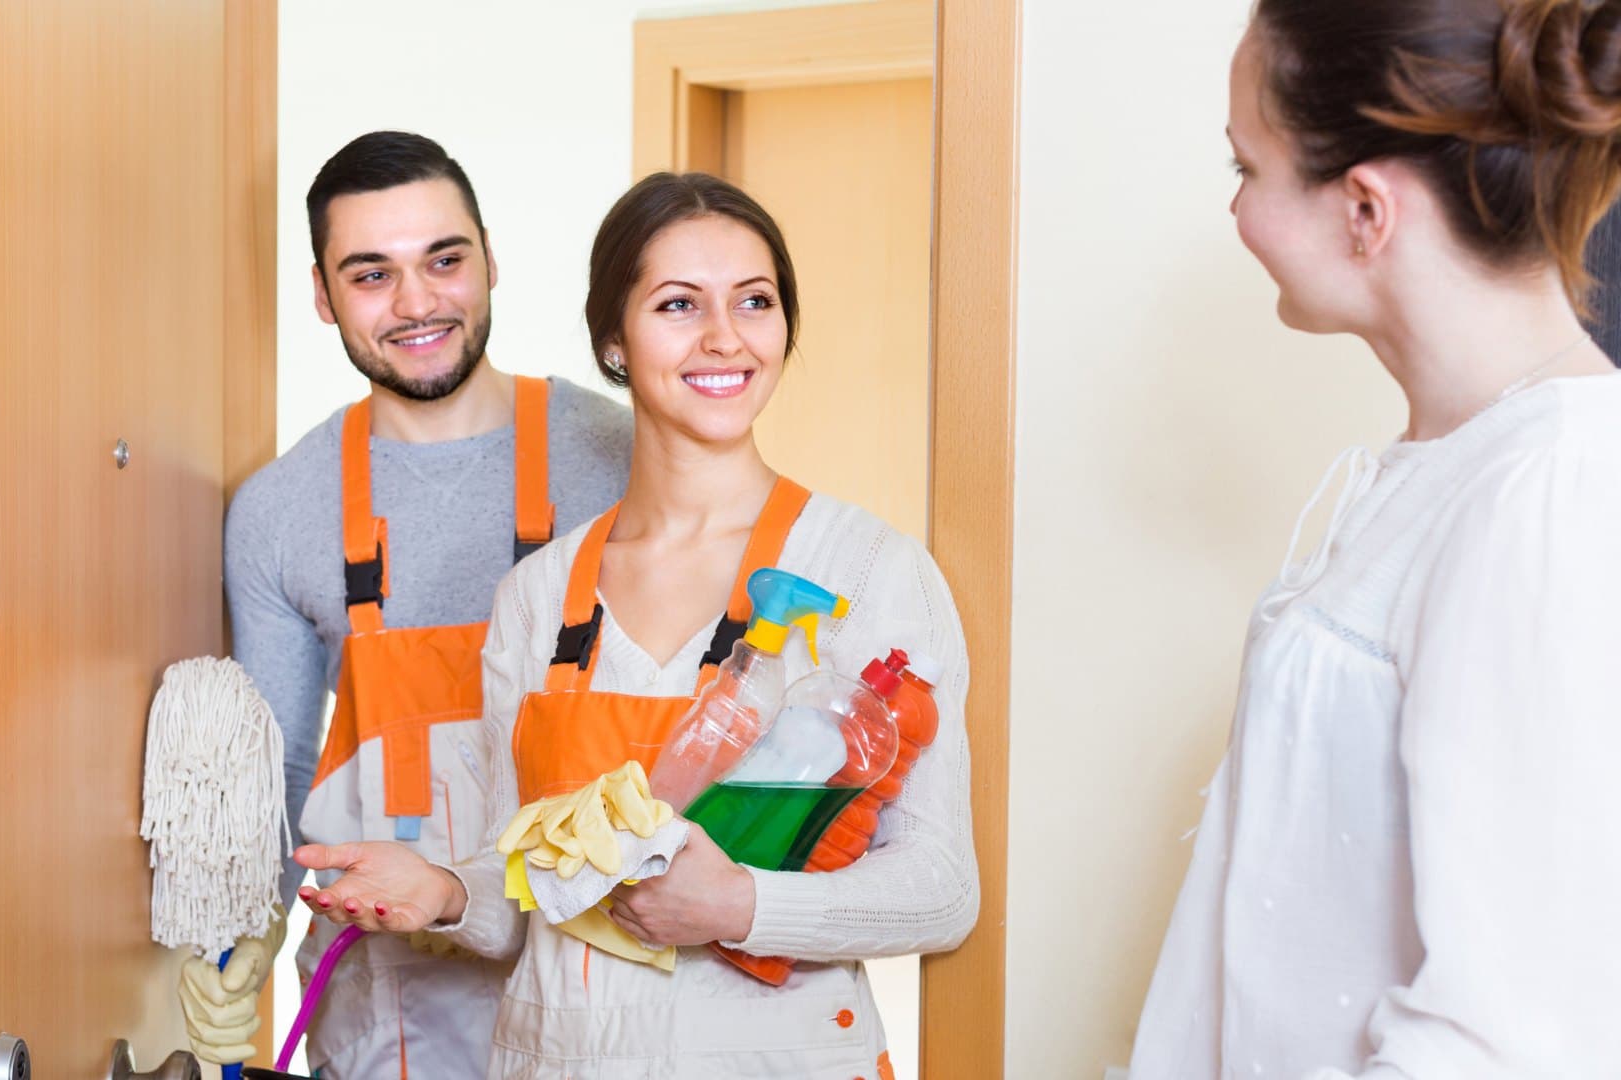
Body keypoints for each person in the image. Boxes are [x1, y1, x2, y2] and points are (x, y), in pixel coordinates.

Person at [292, 171, 980, 1077]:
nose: (725, 337)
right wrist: (446, 888)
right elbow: (527, 898)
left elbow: (940, 891)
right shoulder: (540, 599)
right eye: (679, 305)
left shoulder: (866, 570)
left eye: (755, 301)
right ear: (614, 339)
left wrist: (739, 908)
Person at [1130, 1, 1621, 1076]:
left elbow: (1507, 1035)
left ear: (1363, 208)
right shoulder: (1449, 465)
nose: (1239, 211)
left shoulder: (1550, 492)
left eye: (1246, 167)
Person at [199, 132, 633, 1077]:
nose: (418, 302)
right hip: (389, 1005)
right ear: (321, 295)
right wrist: (246, 934)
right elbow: (282, 762)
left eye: (444, 260)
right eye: (371, 275)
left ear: (489, 258)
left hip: (596, 967)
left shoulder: (622, 457)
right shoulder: (280, 510)